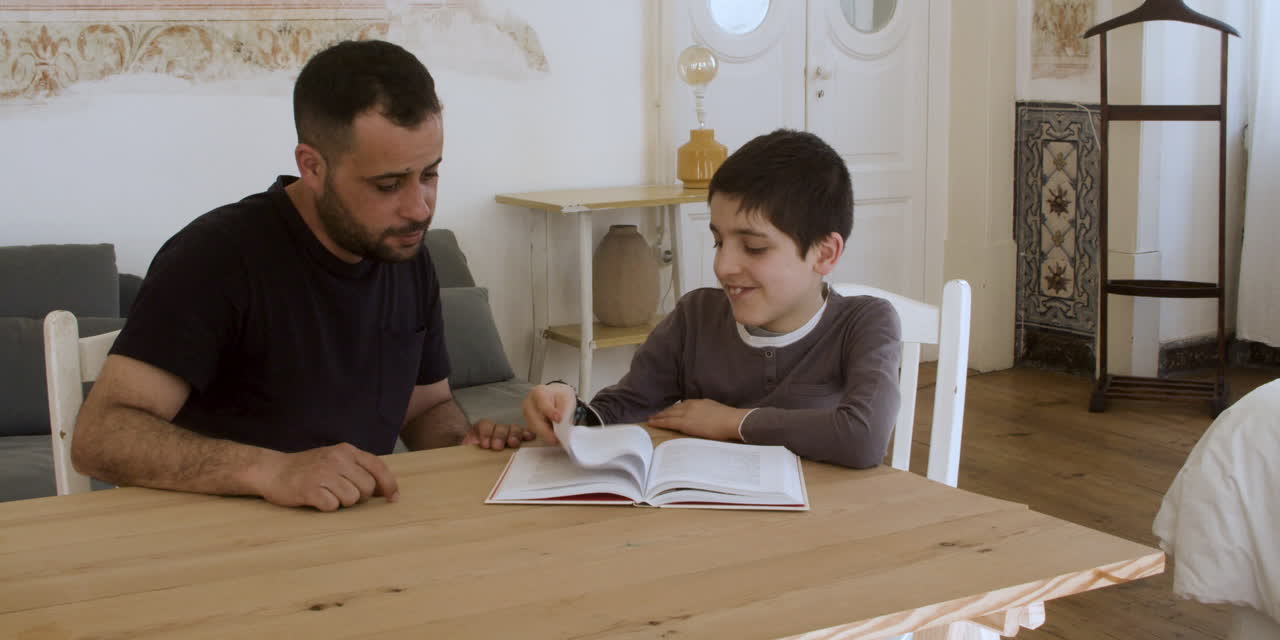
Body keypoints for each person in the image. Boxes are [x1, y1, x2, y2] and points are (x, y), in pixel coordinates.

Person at [72, 40, 528, 512]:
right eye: (388, 185)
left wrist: (461, 446)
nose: (419, 208)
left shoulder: (406, 253)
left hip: (350, 535)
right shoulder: (216, 256)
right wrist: (272, 470)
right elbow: (101, 436)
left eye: (429, 175)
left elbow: (425, 407)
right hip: (219, 545)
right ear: (312, 166)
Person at [522, 129, 901, 468]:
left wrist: (730, 421)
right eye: (718, 241)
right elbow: (620, 408)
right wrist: (565, 407)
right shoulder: (696, 317)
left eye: (753, 247)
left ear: (824, 254)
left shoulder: (865, 322)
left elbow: (862, 437)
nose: (723, 265)